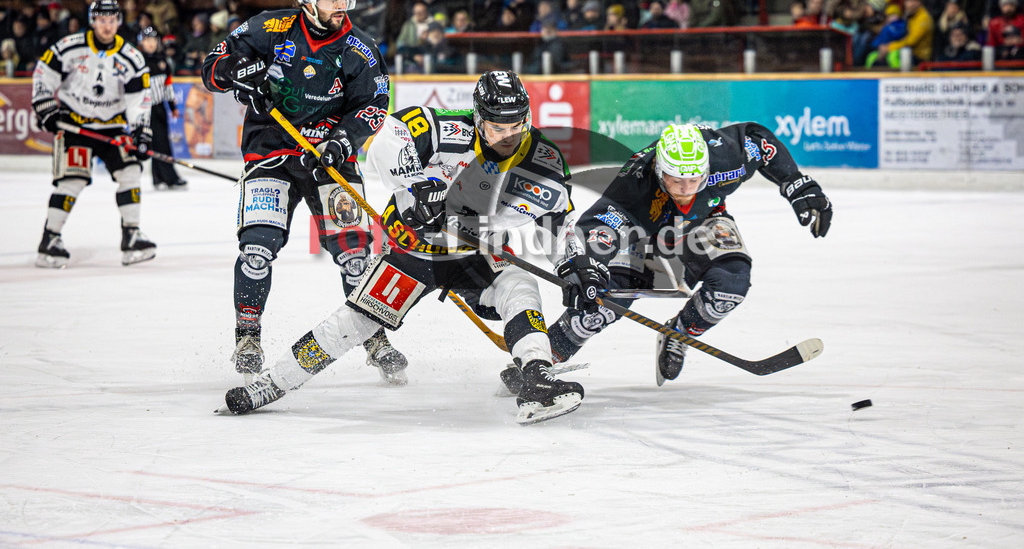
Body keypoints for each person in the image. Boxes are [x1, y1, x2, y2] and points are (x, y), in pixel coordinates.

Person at [221, 71, 588, 425]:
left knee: (519, 286)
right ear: (478, 118)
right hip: (411, 253)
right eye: (497, 127)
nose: (509, 136)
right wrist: (415, 187)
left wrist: (574, 263)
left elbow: (559, 220)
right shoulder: (447, 127)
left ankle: (537, 374)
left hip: (477, 257)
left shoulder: (543, 159)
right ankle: (273, 383)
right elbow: (391, 134)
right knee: (355, 322)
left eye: (516, 125)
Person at [200, 0, 407, 382]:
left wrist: (341, 142)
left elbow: (373, 106)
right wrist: (241, 75)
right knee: (257, 249)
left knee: (354, 256)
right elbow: (212, 69)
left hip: (328, 159)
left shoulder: (360, 50)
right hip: (271, 152)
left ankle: (374, 336)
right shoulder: (267, 29)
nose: (341, 5)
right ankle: (247, 336)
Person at [514, 123, 832, 385]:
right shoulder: (635, 184)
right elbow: (599, 229)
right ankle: (546, 353)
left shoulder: (727, 157)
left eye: (694, 180)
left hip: (705, 221)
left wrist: (798, 185)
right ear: (659, 169)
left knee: (732, 283)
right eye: (676, 180)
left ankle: (679, 333)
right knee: (606, 299)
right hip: (646, 233)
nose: (685, 189)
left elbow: (759, 140)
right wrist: (591, 267)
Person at [31, 0, 156, 269]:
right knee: (71, 181)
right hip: (75, 125)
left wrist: (141, 132)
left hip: (112, 127)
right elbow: (43, 73)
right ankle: (50, 238)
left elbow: (139, 100)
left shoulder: (132, 57)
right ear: (93, 21)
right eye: (101, 20)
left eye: (112, 20)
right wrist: (45, 107)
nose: (107, 26)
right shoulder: (70, 47)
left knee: (130, 171)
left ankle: (132, 234)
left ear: (119, 22)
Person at [137, 27, 186, 190]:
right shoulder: (138, 62)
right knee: (157, 143)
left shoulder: (163, 60)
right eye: (147, 40)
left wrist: (172, 106)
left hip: (159, 107)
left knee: (162, 142)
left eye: (153, 40)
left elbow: (167, 86)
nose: (150, 44)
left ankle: (160, 178)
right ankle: (168, 177)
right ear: (141, 42)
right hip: (144, 109)